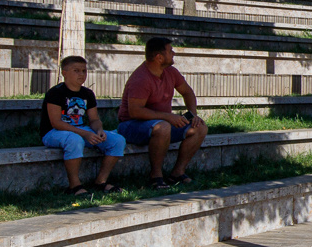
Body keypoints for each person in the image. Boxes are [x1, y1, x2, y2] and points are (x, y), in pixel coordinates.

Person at [117, 36, 209, 189]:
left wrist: (192, 115)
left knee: (200, 127)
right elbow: (135, 111)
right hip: (131, 125)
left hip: (161, 122)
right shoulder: (141, 78)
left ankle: (177, 173)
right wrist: (167, 117)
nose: (173, 54)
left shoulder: (171, 72)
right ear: (159, 57)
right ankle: (156, 176)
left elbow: (188, 92)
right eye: (170, 51)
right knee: (163, 127)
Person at [40, 55, 124, 195]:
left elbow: (94, 119)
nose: (81, 74)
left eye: (84, 71)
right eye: (76, 70)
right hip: (54, 132)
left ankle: (101, 181)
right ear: (64, 73)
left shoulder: (88, 94)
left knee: (117, 140)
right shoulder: (55, 93)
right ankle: (74, 186)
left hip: (79, 130)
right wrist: (84, 133)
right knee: (75, 140)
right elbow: (56, 122)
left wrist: (99, 130)